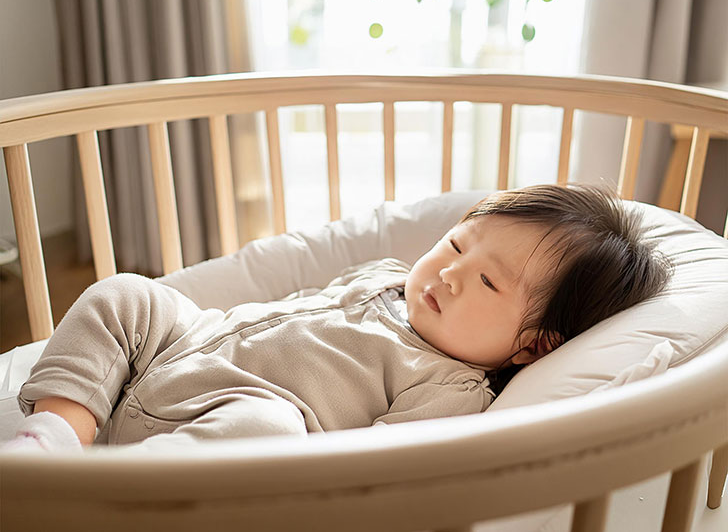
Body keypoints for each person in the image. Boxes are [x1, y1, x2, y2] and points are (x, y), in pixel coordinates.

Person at [4, 184, 671, 453]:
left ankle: (117, 493)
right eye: (456, 246)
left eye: (488, 282)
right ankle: (58, 433)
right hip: (186, 344)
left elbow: (372, 472)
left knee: (266, 430)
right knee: (127, 294)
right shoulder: (382, 274)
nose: (448, 273)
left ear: (531, 348)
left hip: (230, 415)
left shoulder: (450, 390)